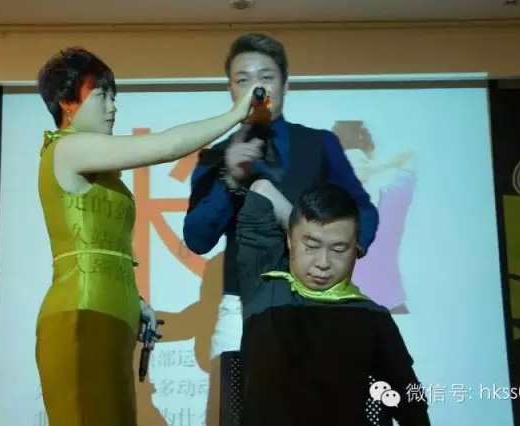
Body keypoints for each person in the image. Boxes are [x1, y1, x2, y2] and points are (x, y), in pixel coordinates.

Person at [35, 47, 256, 426]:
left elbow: (102, 246)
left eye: (113, 96)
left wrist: (133, 300)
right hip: (81, 318)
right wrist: (236, 114)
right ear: (68, 102)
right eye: (101, 96)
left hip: (109, 318)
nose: (113, 107)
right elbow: (166, 145)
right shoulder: (66, 147)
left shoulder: (91, 162)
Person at [182, 33, 379, 421]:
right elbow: (197, 237)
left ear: (285, 84)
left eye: (266, 77)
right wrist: (229, 179)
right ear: (230, 89)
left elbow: (364, 212)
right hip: (243, 308)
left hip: (317, 304)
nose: (256, 88)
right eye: (243, 79)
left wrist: (342, 250)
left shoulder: (320, 144)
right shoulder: (215, 156)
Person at [235, 180, 430, 426]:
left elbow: (412, 407)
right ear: (289, 240)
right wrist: (302, 227)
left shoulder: (373, 317)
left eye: (338, 250)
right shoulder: (264, 283)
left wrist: (308, 235)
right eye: (311, 246)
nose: (323, 263)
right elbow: (262, 190)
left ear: (355, 250)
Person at [333, 120, 417, 312]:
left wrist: (375, 167)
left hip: (389, 311)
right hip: (345, 311)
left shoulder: (392, 197)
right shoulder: (319, 210)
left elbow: (413, 155)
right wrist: (375, 167)